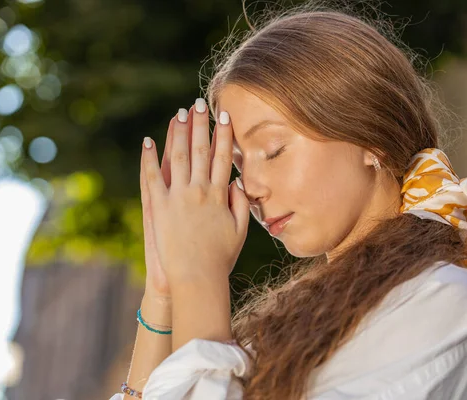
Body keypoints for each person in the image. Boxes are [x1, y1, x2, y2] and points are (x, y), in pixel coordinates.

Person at [110, 4, 467, 400]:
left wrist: (200, 276)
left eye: (273, 149)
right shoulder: (300, 317)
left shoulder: (440, 299)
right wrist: (164, 291)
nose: (251, 187)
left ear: (371, 138)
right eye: (238, 165)